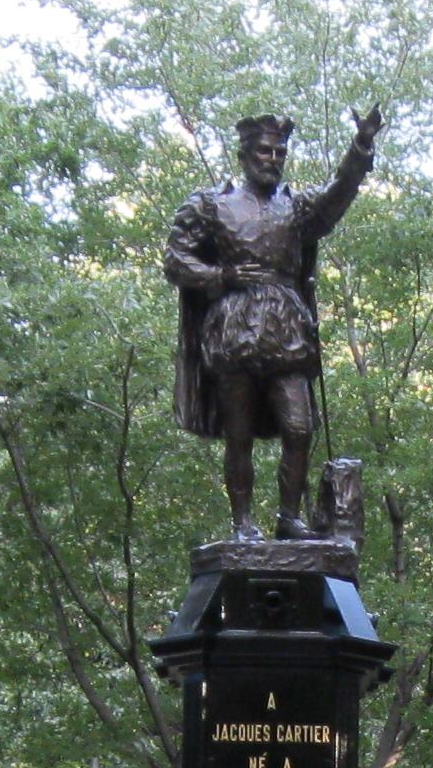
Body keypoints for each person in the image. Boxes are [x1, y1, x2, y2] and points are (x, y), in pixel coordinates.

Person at [163, 106, 383, 537]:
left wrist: (359, 149)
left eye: (279, 152)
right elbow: (176, 259)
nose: (272, 159)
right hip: (234, 327)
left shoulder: (295, 207)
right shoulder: (212, 204)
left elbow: (335, 199)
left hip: (286, 327)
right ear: (245, 155)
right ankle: (242, 523)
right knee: (238, 433)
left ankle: (288, 517)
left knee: (298, 427)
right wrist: (219, 276)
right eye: (264, 151)